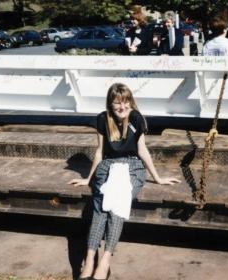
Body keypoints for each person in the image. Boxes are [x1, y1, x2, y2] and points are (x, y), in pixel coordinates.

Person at [69, 83, 181, 280]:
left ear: (130, 101)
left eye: (126, 101)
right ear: (110, 104)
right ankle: (90, 258)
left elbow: (142, 150)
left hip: (132, 167)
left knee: (117, 203)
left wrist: (157, 178)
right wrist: (88, 178)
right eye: (117, 102)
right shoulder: (102, 119)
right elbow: (99, 152)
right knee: (101, 205)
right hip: (108, 166)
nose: (122, 107)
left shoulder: (137, 118)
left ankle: (105, 260)